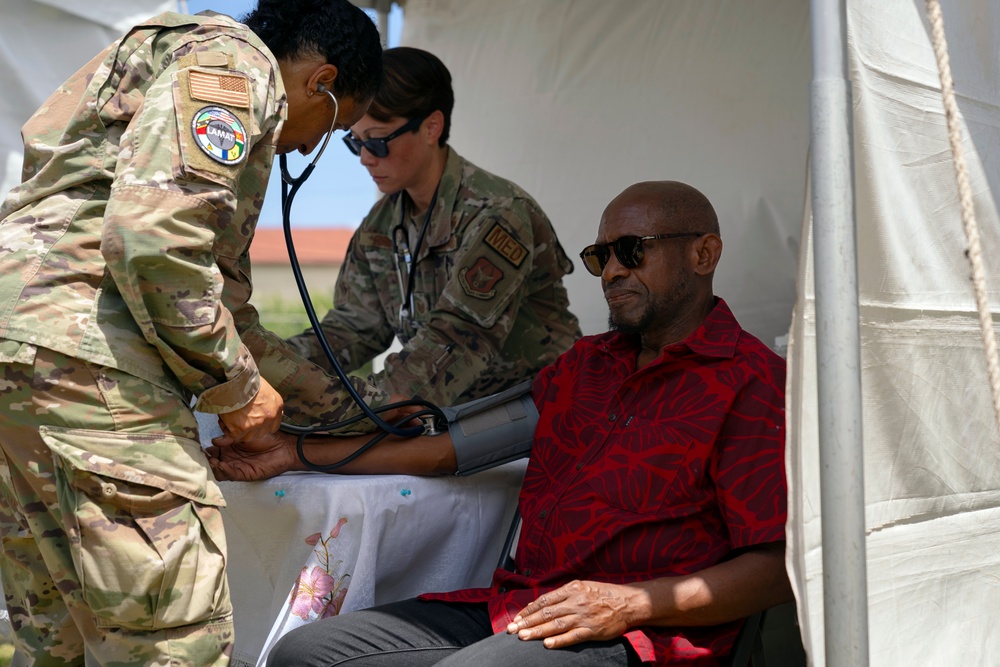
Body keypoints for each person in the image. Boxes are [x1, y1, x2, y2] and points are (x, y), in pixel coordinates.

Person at [210, 180, 793, 666]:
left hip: (641, 634)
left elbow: (777, 568)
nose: (612, 271)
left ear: (704, 254)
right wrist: (295, 454)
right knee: (305, 655)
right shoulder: (585, 367)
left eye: (632, 250)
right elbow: (448, 450)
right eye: (600, 257)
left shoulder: (752, 381)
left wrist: (633, 604)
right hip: (522, 606)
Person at [0, 1, 399, 664]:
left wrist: (350, 409)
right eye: (337, 127)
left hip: (27, 363)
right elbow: (154, 242)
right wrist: (238, 389)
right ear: (320, 81)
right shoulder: (233, 66)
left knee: (62, 634)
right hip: (95, 366)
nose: (304, 148)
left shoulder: (165, 56)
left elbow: (229, 314)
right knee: (174, 641)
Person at [285, 47, 582, 406]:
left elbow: (456, 342)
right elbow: (352, 329)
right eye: (355, 142)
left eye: (377, 141)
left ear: (431, 127)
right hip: (457, 412)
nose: (364, 158)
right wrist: (271, 369)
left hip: (543, 408)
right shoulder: (379, 226)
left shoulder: (498, 213)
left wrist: (360, 407)